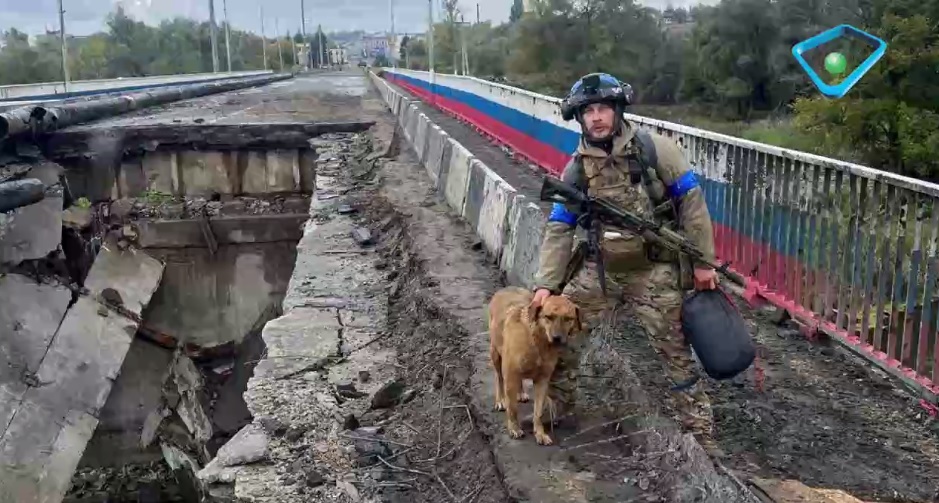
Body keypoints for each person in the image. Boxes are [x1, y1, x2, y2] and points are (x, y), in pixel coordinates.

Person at [528, 72, 721, 453]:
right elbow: (560, 227)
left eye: (603, 109)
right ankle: (554, 406)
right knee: (561, 340)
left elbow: (693, 209)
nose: (596, 117)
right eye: (589, 111)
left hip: (654, 271)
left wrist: (704, 263)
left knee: (676, 354)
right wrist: (546, 284)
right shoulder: (577, 169)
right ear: (579, 118)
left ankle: (699, 433)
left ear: (617, 111)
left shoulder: (656, 151)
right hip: (601, 272)